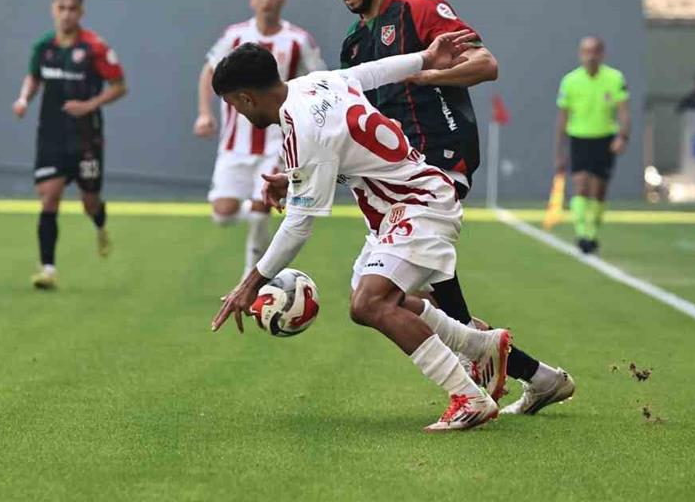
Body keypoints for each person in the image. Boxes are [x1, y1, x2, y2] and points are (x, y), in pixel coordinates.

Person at [210, 39, 572, 431]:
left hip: (418, 205)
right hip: (400, 209)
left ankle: (468, 397)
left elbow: (299, 225)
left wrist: (249, 284)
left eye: (232, 104)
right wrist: (424, 58)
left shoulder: (303, 129)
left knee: (371, 302)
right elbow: (370, 73)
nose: (236, 112)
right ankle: (481, 346)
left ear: (245, 98)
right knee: (373, 303)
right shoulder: (315, 83)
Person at [315, 0, 572, 416]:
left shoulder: (420, 8)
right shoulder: (353, 44)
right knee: (404, 298)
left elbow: (486, 64)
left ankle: (475, 391)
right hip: (393, 177)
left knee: (379, 297)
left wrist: (430, 74)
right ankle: (538, 376)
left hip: (439, 159)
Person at [193, 0, 324, 278]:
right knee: (222, 214)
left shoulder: (298, 40)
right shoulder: (235, 36)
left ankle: (250, 277)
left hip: (277, 141)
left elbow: (317, 80)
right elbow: (209, 71)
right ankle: (254, 223)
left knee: (260, 209)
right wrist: (204, 113)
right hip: (234, 144)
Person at [13, 0, 128, 290]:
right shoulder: (44, 47)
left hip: (86, 137)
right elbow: (34, 77)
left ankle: (100, 223)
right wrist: (24, 99)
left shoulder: (94, 47)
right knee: (49, 197)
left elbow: (119, 86)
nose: (66, 14)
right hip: (51, 134)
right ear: (53, 10)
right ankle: (47, 269)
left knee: (89, 202)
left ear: (81, 12)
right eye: (61, 8)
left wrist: (88, 105)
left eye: (72, 9)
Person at [553, 36, 631, 255]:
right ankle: (582, 234)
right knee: (580, 185)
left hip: (605, 139)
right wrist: (559, 150)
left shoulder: (615, 78)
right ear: (580, 54)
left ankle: (593, 232)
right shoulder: (570, 81)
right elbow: (562, 117)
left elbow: (624, 111)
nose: (590, 56)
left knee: (598, 191)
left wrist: (622, 136)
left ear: (602, 54)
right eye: (586, 52)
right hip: (579, 138)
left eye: (595, 51)